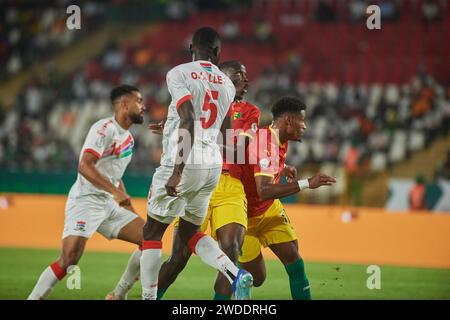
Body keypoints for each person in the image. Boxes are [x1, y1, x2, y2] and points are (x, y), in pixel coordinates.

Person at [139, 27, 253, 301]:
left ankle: (147, 298)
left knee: (152, 232)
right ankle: (233, 272)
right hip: (211, 166)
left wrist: (177, 171)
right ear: (217, 53)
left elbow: (189, 118)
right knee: (191, 232)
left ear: (192, 48)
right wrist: (170, 127)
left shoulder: (178, 73)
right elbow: (224, 136)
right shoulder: (226, 84)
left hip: (184, 161)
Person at [28, 85, 147, 300]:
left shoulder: (128, 139)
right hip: (86, 200)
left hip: (108, 204)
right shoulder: (104, 128)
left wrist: (126, 203)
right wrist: (115, 192)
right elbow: (84, 165)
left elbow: (114, 173)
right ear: (124, 104)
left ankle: (119, 295)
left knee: (150, 239)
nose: (143, 106)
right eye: (139, 101)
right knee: (69, 260)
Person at [238, 96, 335, 300]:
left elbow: (258, 165)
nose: (305, 127)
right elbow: (264, 189)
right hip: (244, 217)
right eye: (302, 121)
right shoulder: (265, 141)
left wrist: (282, 168)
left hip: (269, 210)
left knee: (295, 263)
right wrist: (308, 183)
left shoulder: (278, 139)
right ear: (289, 120)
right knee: (257, 278)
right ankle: (237, 283)